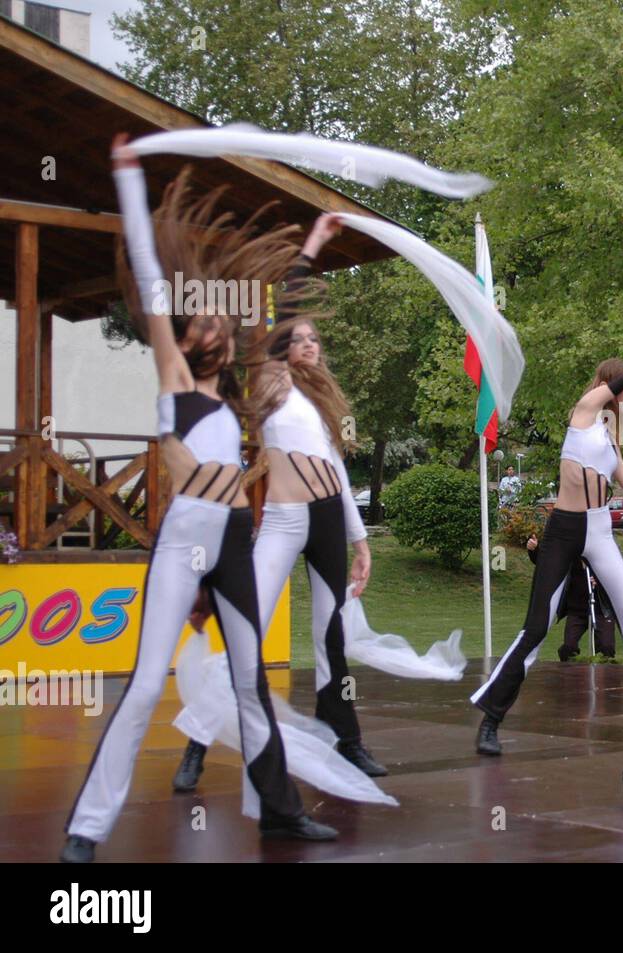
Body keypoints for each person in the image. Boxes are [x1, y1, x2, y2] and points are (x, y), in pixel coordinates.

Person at [61, 136, 335, 863]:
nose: (216, 325)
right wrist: (126, 180)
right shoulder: (176, 381)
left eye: (221, 319)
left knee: (250, 682)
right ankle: (88, 827)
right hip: (185, 539)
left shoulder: (240, 392)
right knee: (147, 682)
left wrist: (312, 240)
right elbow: (152, 279)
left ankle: (279, 813)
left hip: (236, 537)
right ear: (183, 335)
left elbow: (289, 310)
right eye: (202, 320)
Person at [170, 213, 385, 792]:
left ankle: (347, 738)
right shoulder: (269, 381)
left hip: (327, 524)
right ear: (284, 346)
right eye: (302, 338)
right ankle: (195, 738)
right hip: (285, 522)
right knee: (249, 628)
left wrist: (360, 538)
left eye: (317, 339)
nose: (311, 345)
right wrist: (313, 244)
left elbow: (336, 473)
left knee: (331, 637)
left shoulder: (317, 405)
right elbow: (287, 304)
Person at [471, 357, 623, 754]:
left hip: (600, 532)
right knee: (536, 628)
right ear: (612, 386)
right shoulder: (583, 412)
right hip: (563, 530)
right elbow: (617, 385)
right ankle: (491, 718)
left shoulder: (609, 439)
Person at [525, 534, 618, 660]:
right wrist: (534, 550)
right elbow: (549, 563)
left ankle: (605, 676)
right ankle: (571, 676)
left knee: (607, 648)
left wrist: (601, 580)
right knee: (568, 648)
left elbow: (618, 576)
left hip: (601, 610)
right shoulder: (569, 556)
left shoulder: (604, 554)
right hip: (577, 610)